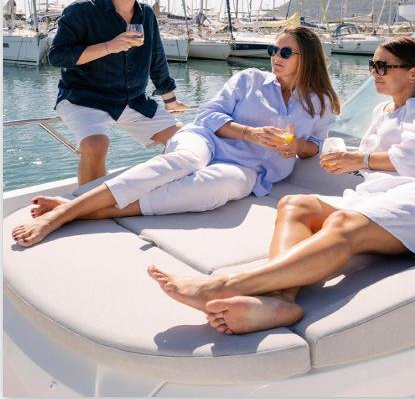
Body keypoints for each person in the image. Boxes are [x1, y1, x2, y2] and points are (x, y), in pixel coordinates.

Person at [142, 37, 415, 335]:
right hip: (384, 196)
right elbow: (371, 164)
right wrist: (347, 161)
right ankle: (280, 301)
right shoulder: (383, 110)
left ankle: (223, 286)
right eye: (372, 65)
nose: (373, 73)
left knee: (342, 222)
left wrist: (359, 160)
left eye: (381, 66)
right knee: (295, 204)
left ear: (414, 73)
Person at [12, 26, 340, 246]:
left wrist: (296, 147)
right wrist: (248, 133)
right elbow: (207, 115)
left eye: (285, 53)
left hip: (250, 170)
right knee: (184, 160)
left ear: (307, 58)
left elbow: (315, 146)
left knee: (217, 187)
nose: (275, 57)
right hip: (207, 140)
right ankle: (63, 214)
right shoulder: (249, 79)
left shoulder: (321, 103)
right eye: (273, 50)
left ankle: (80, 209)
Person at [48, 0, 189, 186]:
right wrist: (108, 47)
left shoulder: (146, 15)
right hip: (85, 97)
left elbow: (156, 58)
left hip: (132, 100)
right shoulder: (82, 10)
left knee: (184, 139)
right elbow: (57, 56)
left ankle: (154, 195)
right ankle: (88, 204)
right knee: (95, 146)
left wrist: (170, 100)